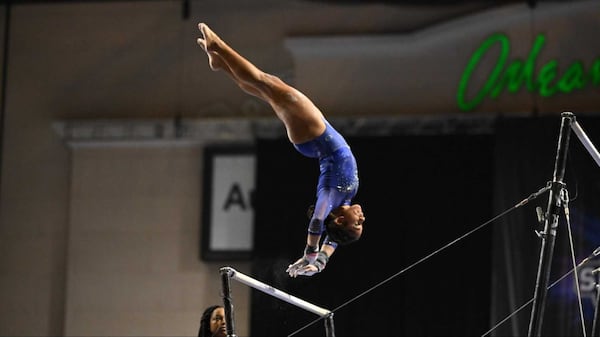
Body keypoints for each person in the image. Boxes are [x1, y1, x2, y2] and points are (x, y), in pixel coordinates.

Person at [196, 22, 366, 277]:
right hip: (314, 139)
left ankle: (218, 46)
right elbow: (333, 241)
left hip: (314, 135)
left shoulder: (329, 198)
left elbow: (318, 222)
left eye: (358, 223)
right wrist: (319, 261)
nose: (363, 218)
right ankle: (221, 64)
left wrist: (309, 251)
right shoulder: (344, 200)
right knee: (267, 90)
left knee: (266, 83)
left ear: (341, 220)